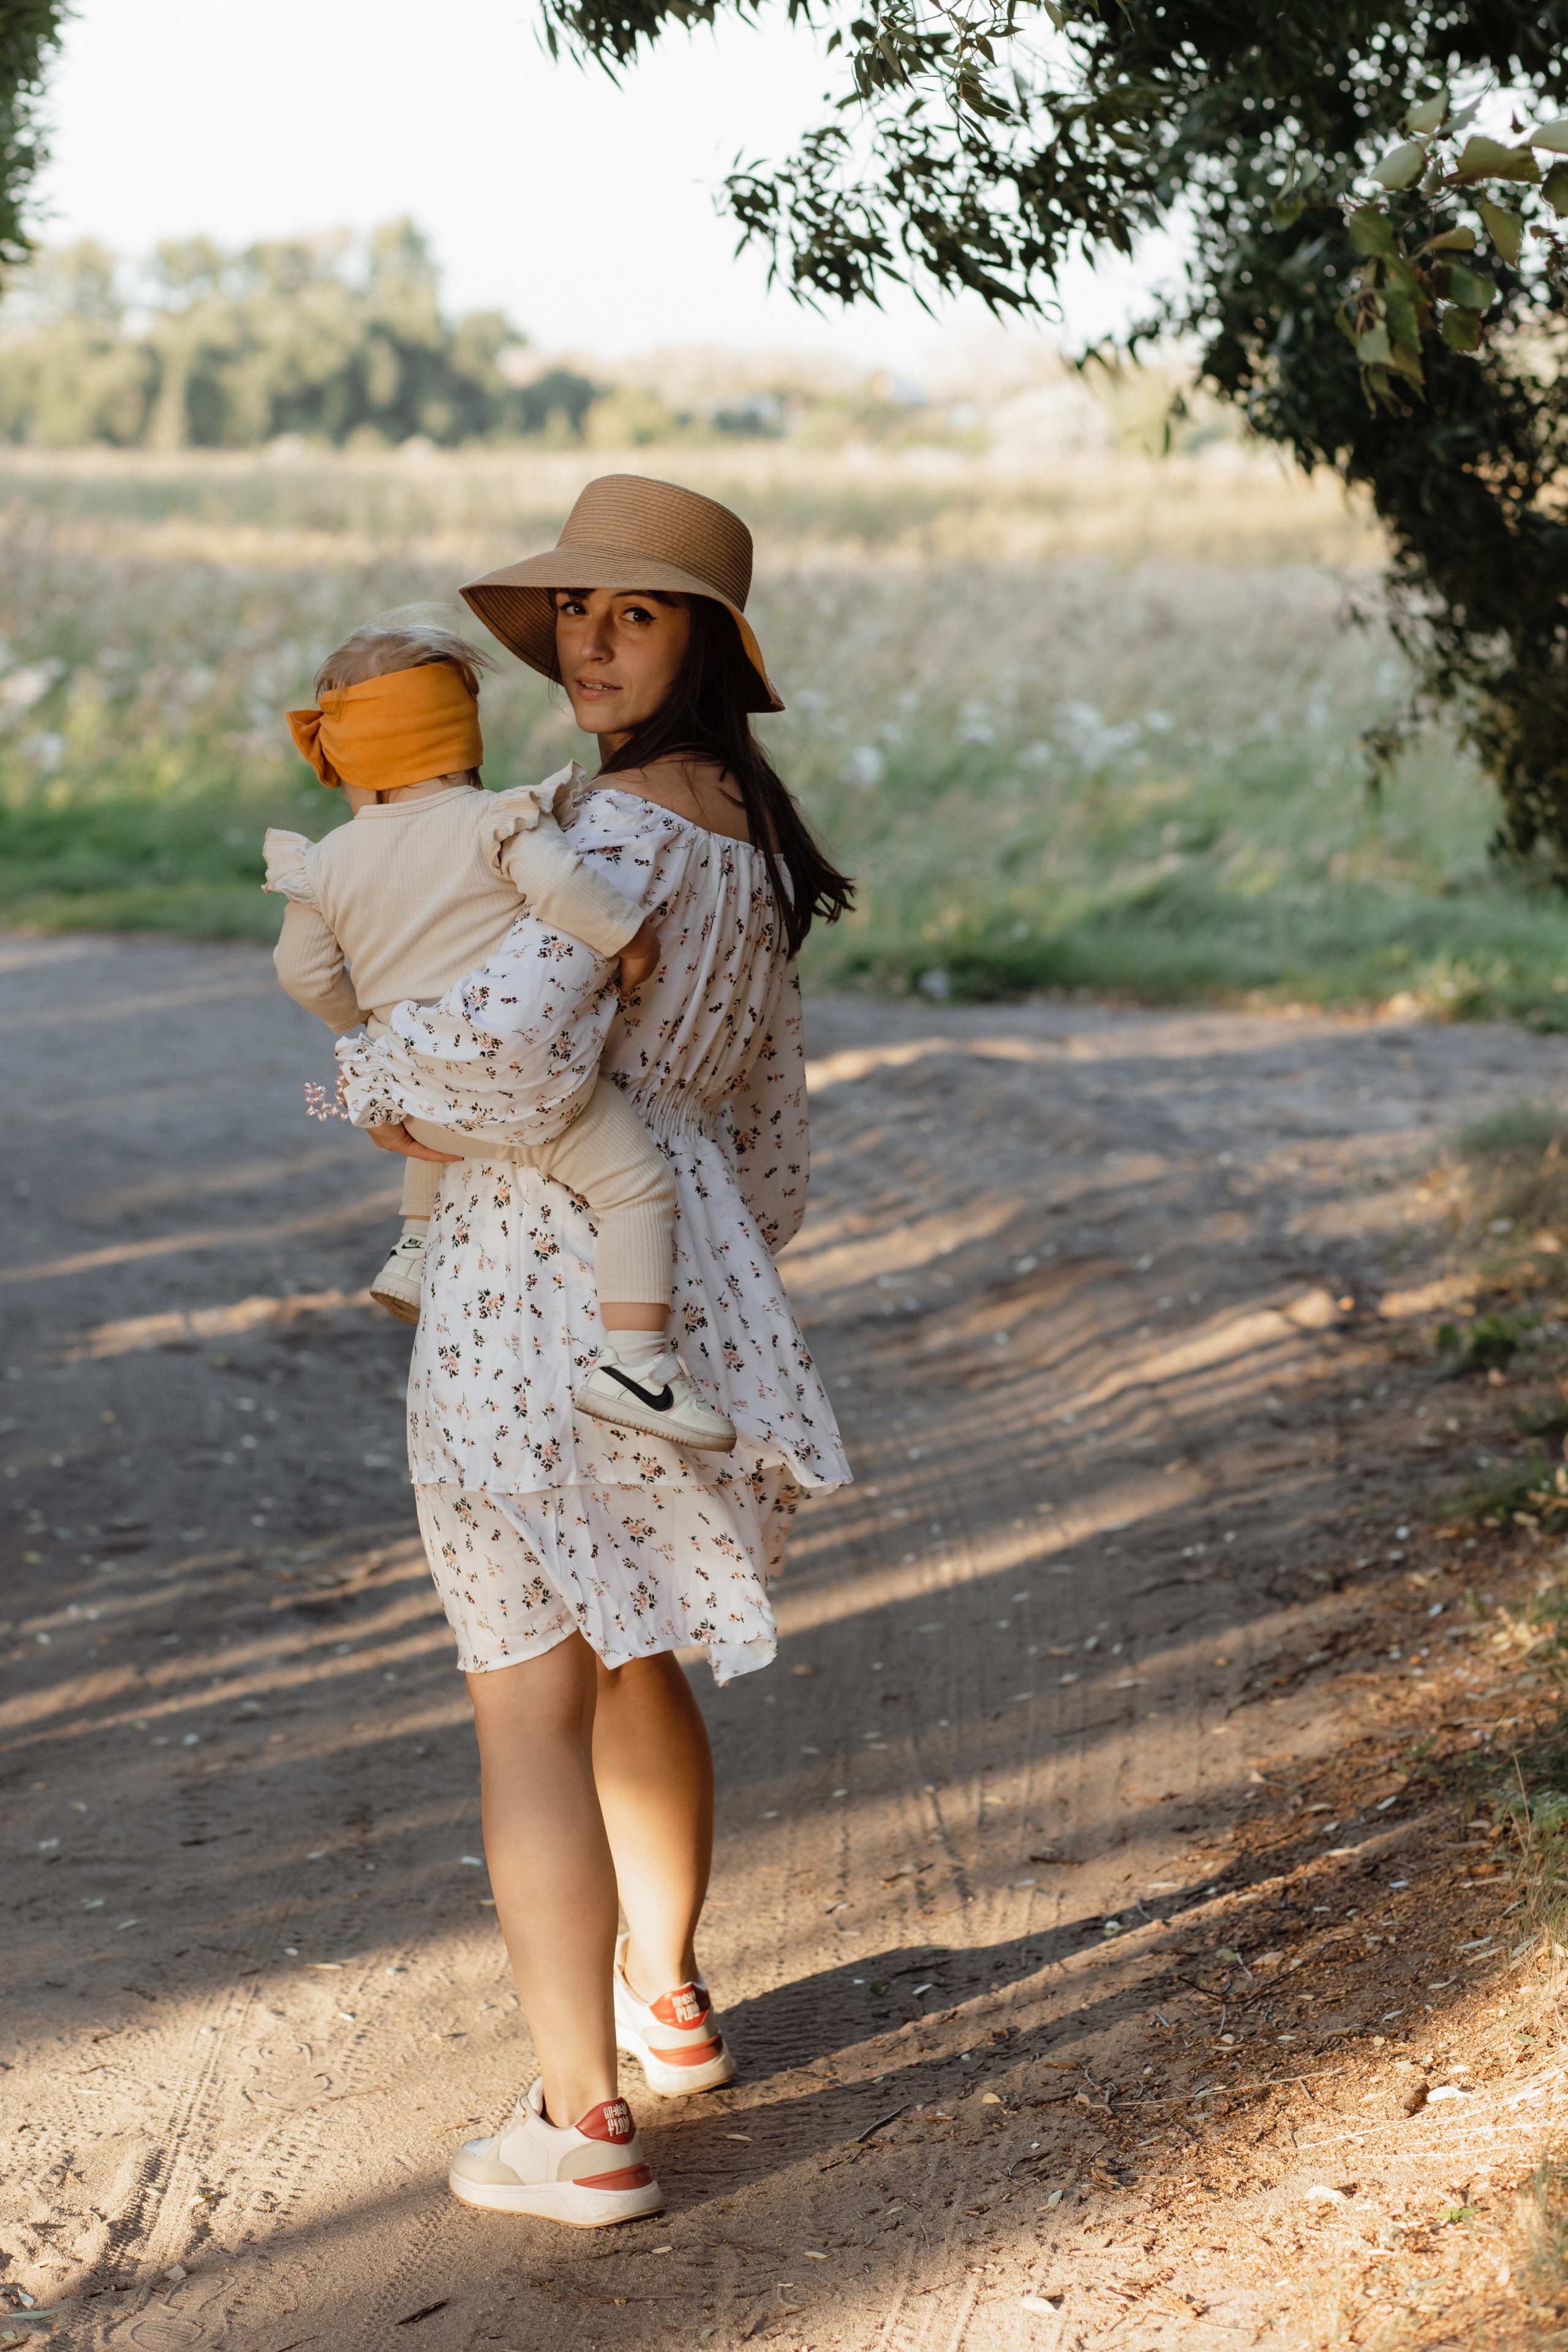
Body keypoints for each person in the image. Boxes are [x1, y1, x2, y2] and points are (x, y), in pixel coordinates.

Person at [334, 473, 854, 2227]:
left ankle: (580, 2123)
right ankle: (671, 2002)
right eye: (576, 612)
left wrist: (381, 1088)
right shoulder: (753, 843)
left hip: (527, 1277)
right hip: (674, 1277)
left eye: (632, 614)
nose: (588, 639)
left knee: (525, 1702)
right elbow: (769, 1138)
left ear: (703, 642)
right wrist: (711, 1270)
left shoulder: (612, 833)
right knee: (640, 1654)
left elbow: (514, 1062)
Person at [265, 614, 733, 1452]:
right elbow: (563, 889)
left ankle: (414, 1248)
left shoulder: (324, 862)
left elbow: (302, 975)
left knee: (428, 1093)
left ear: (352, 763)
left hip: (423, 1100)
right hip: (534, 1095)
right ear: (459, 739)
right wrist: (629, 938)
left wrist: (366, 1022)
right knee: (633, 1187)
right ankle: (636, 1365)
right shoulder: (495, 823)